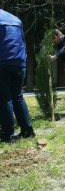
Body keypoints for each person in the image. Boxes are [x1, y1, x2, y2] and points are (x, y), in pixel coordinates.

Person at [0, 9, 35, 143]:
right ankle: (27, 131)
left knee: (5, 98)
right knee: (18, 97)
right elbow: (22, 42)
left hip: (3, 62)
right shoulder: (15, 19)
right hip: (19, 63)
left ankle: (7, 136)